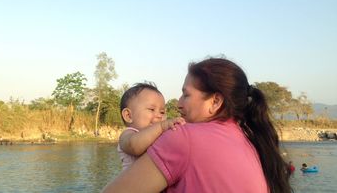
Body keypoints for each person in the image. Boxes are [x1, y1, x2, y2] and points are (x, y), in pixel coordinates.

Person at [103, 57, 292, 193]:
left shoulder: (184, 136)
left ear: (215, 102)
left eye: (186, 94)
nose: (177, 103)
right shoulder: (251, 141)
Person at [118, 82, 185, 170]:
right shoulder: (128, 135)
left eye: (162, 112)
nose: (159, 115)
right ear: (128, 116)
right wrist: (161, 126)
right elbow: (134, 146)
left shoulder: (157, 135)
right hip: (133, 182)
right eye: (152, 109)